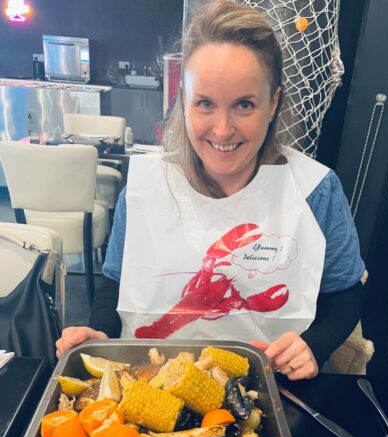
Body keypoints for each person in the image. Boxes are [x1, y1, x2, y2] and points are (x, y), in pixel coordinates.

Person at [56, 0, 365, 380]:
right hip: (153, 382)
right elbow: (117, 280)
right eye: (204, 103)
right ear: (183, 102)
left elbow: (345, 292)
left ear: (273, 103)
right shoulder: (145, 187)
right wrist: (99, 332)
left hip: (271, 385)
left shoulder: (317, 190)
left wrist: (314, 345)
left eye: (244, 105)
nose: (222, 130)